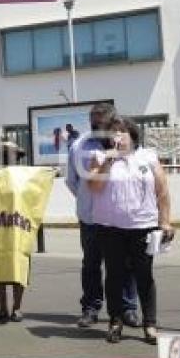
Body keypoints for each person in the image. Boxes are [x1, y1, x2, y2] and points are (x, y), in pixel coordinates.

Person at [87, 115, 175, 344]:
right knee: (114, 275)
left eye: (122, 132)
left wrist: (165, 221)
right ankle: (115, 321)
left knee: (144, 275)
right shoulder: (99, 156)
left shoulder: (148, 157)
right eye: (113, 133)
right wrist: (108, 160)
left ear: (132, 135)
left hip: (142, 226)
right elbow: (94, 186)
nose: (118, 136)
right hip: (110, 227)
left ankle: (150, 324)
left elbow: (162, 191)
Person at [66, 103, 140, 329]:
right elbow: (72, 181)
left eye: (101, 122)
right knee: (91, 264)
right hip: (90, 218)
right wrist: (89, 199)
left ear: (111, 121)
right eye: (93, 121)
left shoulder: (126, 145)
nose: (96, 126)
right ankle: (90, 308)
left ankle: (127, 309)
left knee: (125, 265)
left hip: (121, 217)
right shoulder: (79, 145)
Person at [0, 139, 26, 323]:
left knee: (19, 265)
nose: (6, 157)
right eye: (2, 153)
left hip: (20, 226)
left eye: (9, 154)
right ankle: (2, 307)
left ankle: (17, 308)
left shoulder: (26, 175)